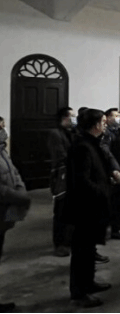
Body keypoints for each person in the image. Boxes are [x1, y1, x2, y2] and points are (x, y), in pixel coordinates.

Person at [66, 109, 112, 308]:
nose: (106, 125)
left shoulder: (91, 143)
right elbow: (82, 180)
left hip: (93, 205)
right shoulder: (82, 147)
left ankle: (89, 283)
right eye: (103, 122)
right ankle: (79, 293)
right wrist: (102, 192)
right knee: (82, 252)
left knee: (89, 249)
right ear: (95, 125)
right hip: (86, 207)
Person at [0, 117, 31, 314]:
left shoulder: (2, 151)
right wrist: (17, 196)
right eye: (1, 127)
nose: (4, 130)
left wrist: (20, 189)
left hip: (5, 211)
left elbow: (14, 173)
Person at [47, 108, 77, 257]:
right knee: (60, 211)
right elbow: (61, 155)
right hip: (62, 176)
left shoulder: (71, 132)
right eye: (72, 116)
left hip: (72, 174)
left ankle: (68, 240)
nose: (74, 118)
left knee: (70, 211)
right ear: (65, 117)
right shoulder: (55, 134)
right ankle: (59, 244)